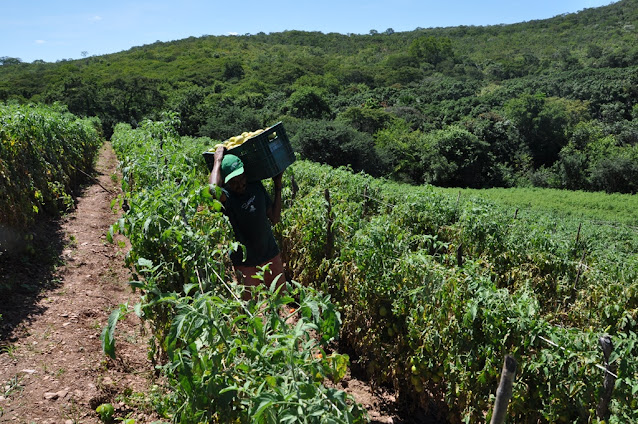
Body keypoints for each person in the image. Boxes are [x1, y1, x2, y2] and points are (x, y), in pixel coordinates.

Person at [209, 145, 286, 299]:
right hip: (246, 263)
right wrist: (217, 160)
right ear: (225, 182)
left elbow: (275, 218)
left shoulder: (256, 186)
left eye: (242, 178)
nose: (240, 184)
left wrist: (278, 186)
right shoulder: (227, 197)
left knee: (281, 298)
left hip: (270, 253)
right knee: (250, 306)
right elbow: (212, 190)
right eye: (234, 182)